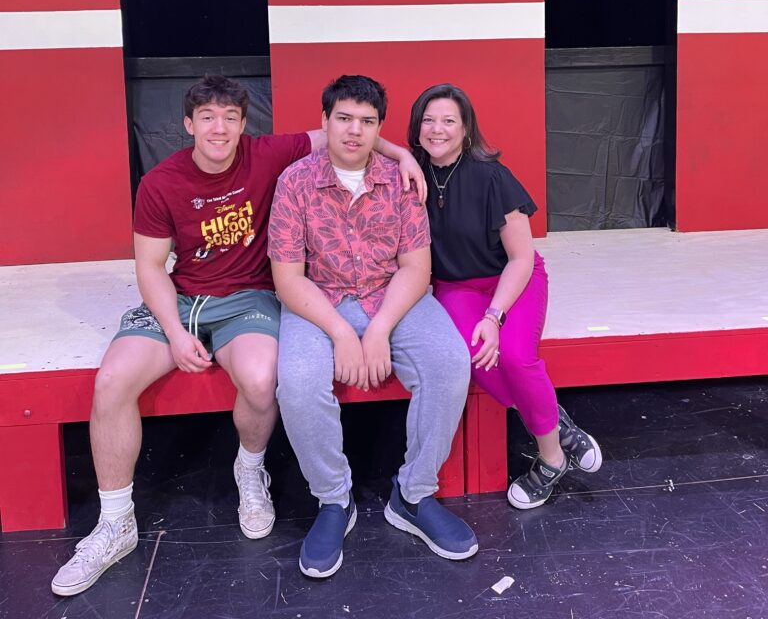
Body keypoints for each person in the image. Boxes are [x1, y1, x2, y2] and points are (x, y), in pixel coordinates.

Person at [51, 74, 425, 597]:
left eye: (230, 117)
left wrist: (403, 155)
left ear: (244, 125)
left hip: (247, 297)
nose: (219, 128)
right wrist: (176, 333)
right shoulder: (160, 182)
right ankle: (115, 523)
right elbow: (152, 268)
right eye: (207, 118)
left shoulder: (267, 154)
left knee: (261, 375)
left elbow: (345, 131)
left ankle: (250, 471)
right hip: (179, 298)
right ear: (188, 125)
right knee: (112, 380)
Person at [268, 75, 478, 579]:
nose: (354, 131)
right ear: (325, 122)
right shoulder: (295, 181)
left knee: (449, 364)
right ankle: (333, 501)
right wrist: (343, 332)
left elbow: (416, 267)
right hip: (319, 300)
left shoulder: (399, 180)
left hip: (393, 296)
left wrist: (378, 329)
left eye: (367, 122)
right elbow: (287, 280)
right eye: (344, 118)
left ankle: (413, 494)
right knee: (296, 384)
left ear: (379, 127)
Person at [407, 83, 602, 511]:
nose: (437, 129)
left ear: (466, 129)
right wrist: (403, 155)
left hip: (513, 278)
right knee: (471, 358)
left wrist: (494, 316)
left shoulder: (491, 175)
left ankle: (549, 461)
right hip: (457, 286)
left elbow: (521, 257)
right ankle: (556, 431)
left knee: (515, 355)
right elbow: (367, 140)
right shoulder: (409, 174)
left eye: (448, 121)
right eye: (428, 120)